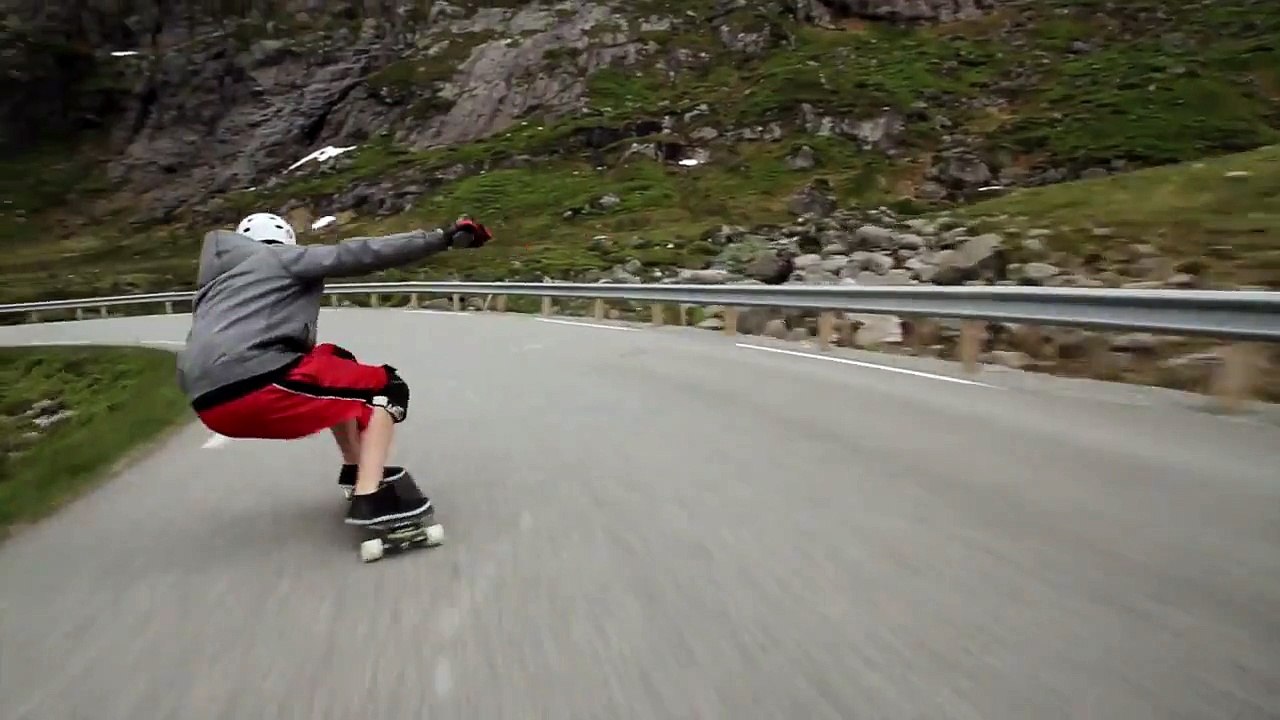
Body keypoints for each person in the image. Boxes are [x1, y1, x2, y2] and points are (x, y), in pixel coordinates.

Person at [175, 212, 492, 526]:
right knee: (387, 386)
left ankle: (358, 469)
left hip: (210, 407)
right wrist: (443, 238)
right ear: (286, 240)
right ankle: (371, 500)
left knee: (334, 363)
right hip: (260, 386)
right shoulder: (282, 258)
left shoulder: (213, 285)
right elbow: (362, 254)